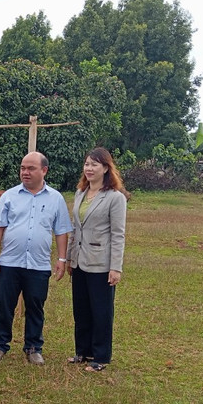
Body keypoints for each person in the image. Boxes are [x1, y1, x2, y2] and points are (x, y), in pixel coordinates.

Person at [0, 152, 72, 365]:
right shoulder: (9, 196)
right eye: (23, 168)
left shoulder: (56, 198)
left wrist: (62, 259)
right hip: (9, 263)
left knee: (35, 306)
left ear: (44, 171)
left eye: (31, 168)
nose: (25, 172)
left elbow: (61, 231)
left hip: (38, 264)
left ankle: (33, 347)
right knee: (4, 305)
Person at [66, 148, 127, 372]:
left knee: (101, 311)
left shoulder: (115, 198)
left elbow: (118, 234)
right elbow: (75, 229)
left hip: (101, 263)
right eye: (87, 164)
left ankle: (100, 357)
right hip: (79, 261)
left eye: (94, 165)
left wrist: (115, 268)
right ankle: (83, 352)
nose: (89, 168)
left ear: (105, 168)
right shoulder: (80, 193)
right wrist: (71, 258)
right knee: (81, 310)